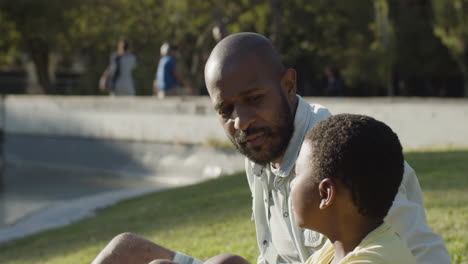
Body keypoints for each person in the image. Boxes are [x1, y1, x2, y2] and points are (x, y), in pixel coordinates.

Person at [91, 33, 451, 264]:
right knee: (128, 249)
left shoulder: (346, 155)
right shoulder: (262, 148)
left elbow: (410, 254)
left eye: (253, 99)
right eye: (226, 110)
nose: (241, 121)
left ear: (289, 84)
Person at [293, 114, 417, 263]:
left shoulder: (375, 259)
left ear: (326, 193)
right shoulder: (332, 252)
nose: (291, 184)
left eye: (297, 174)